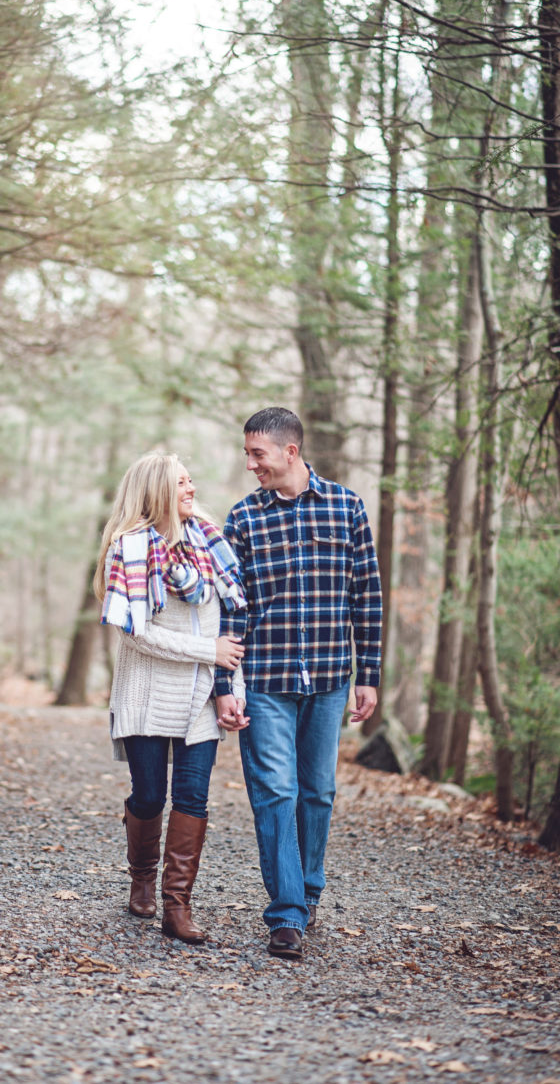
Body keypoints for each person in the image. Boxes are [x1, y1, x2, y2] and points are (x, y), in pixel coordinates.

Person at [214, 407, 382, 962]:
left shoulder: (347, 506)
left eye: (256, 454)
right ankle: (286, 913)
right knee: (275, 793)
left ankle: (308, 890)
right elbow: (231, 612)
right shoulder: (242, 519)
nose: (249, 464)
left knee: (319, 792)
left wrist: (370, 676)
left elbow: (367, 598)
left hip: (332, 677)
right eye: (246, 454)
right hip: (266, 679)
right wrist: (225, 685)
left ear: (291, 452)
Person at [94, 451, 248, 944]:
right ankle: (141, 875)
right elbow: (137, 634)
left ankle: (176, 906)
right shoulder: (131, 549)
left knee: (192, 797)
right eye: (182, 482)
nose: (192, 489)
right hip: (146, 692)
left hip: (200, 694)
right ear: (158, 490)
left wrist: (232, 691)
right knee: (149, 795)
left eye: (191, 480)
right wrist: (209, 650)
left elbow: (228, 627)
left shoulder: (210, 542)